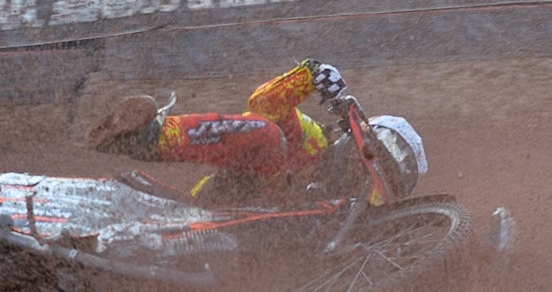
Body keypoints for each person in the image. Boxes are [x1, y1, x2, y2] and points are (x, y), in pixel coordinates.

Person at [88, 59, 426, 204]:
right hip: (225, 205)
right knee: (266, 132)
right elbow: (263, 102)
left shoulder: (372, 212)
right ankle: (147, 137)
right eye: (370, 155)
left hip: (277, 272)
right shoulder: (311, 139)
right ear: (355, 142)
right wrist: (311, 75)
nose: (364, 169)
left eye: (389, 174)